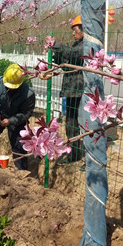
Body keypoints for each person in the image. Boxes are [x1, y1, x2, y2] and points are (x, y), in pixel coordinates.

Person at [0, 64, 35, 170]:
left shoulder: (28, 93)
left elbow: (26, 113)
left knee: (19, 144)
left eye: (13, 87)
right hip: (1, 114)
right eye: (8, 87)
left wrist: (11, 121)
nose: (10, 89)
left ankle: (21, 169)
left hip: (17, 119)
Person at [52, 15, 85, 163]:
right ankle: (75, 153)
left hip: (79, 90)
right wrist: (57, 54)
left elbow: (74, 55)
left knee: (78, 123)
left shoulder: (86, 45)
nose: (73, 33)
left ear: (83, 30)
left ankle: (78, 155)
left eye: (75, 29)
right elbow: (66, 61)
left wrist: (57, 45)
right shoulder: (76, 44)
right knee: (71, 123)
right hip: (73, 90)